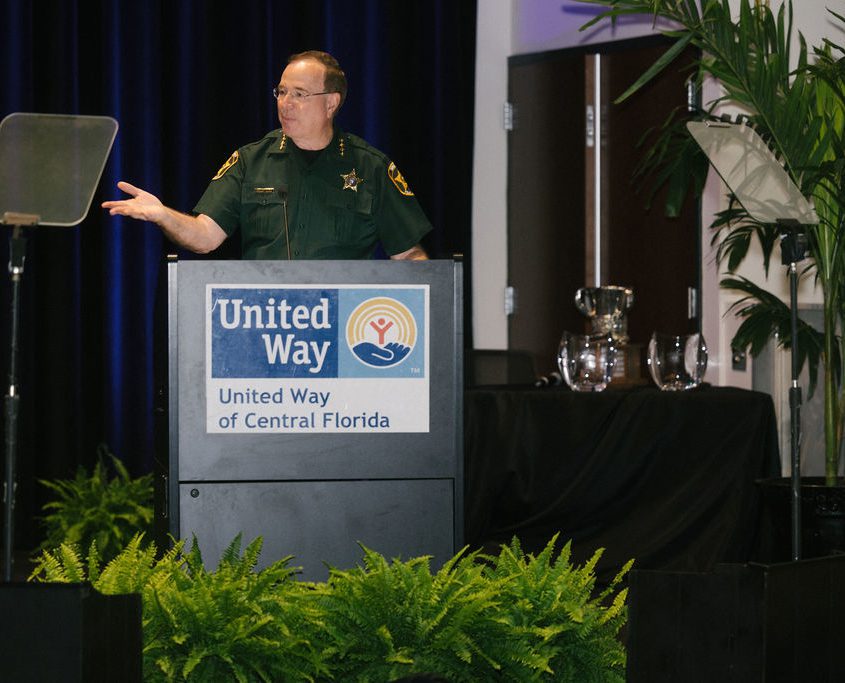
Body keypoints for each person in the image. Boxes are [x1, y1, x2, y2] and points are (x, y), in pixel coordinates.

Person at [102, 51, 431, 260]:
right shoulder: (250, 162)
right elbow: (204, 237)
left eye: (299, 94)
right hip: (266, 327)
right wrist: (162, 215)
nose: (285, 103)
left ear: (331, 103)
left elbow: (408, 255)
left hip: (342, 332)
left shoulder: (371, 168)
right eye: (282, 91)